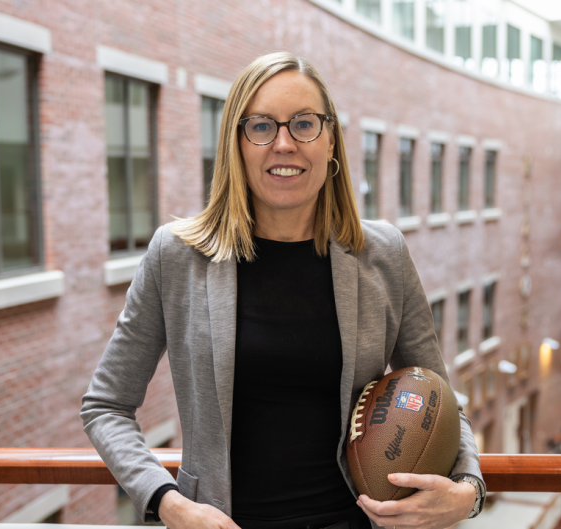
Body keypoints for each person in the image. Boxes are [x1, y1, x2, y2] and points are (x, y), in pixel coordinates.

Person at [81, 52, 485, 529]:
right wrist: (170, 504)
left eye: (304, 124)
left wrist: (469, 490)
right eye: (261, 127)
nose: (284, 144)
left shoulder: (383, 254)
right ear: (237, 143)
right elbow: (106, 406)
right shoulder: (177, 256)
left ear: (331, 140)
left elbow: (438, 396)